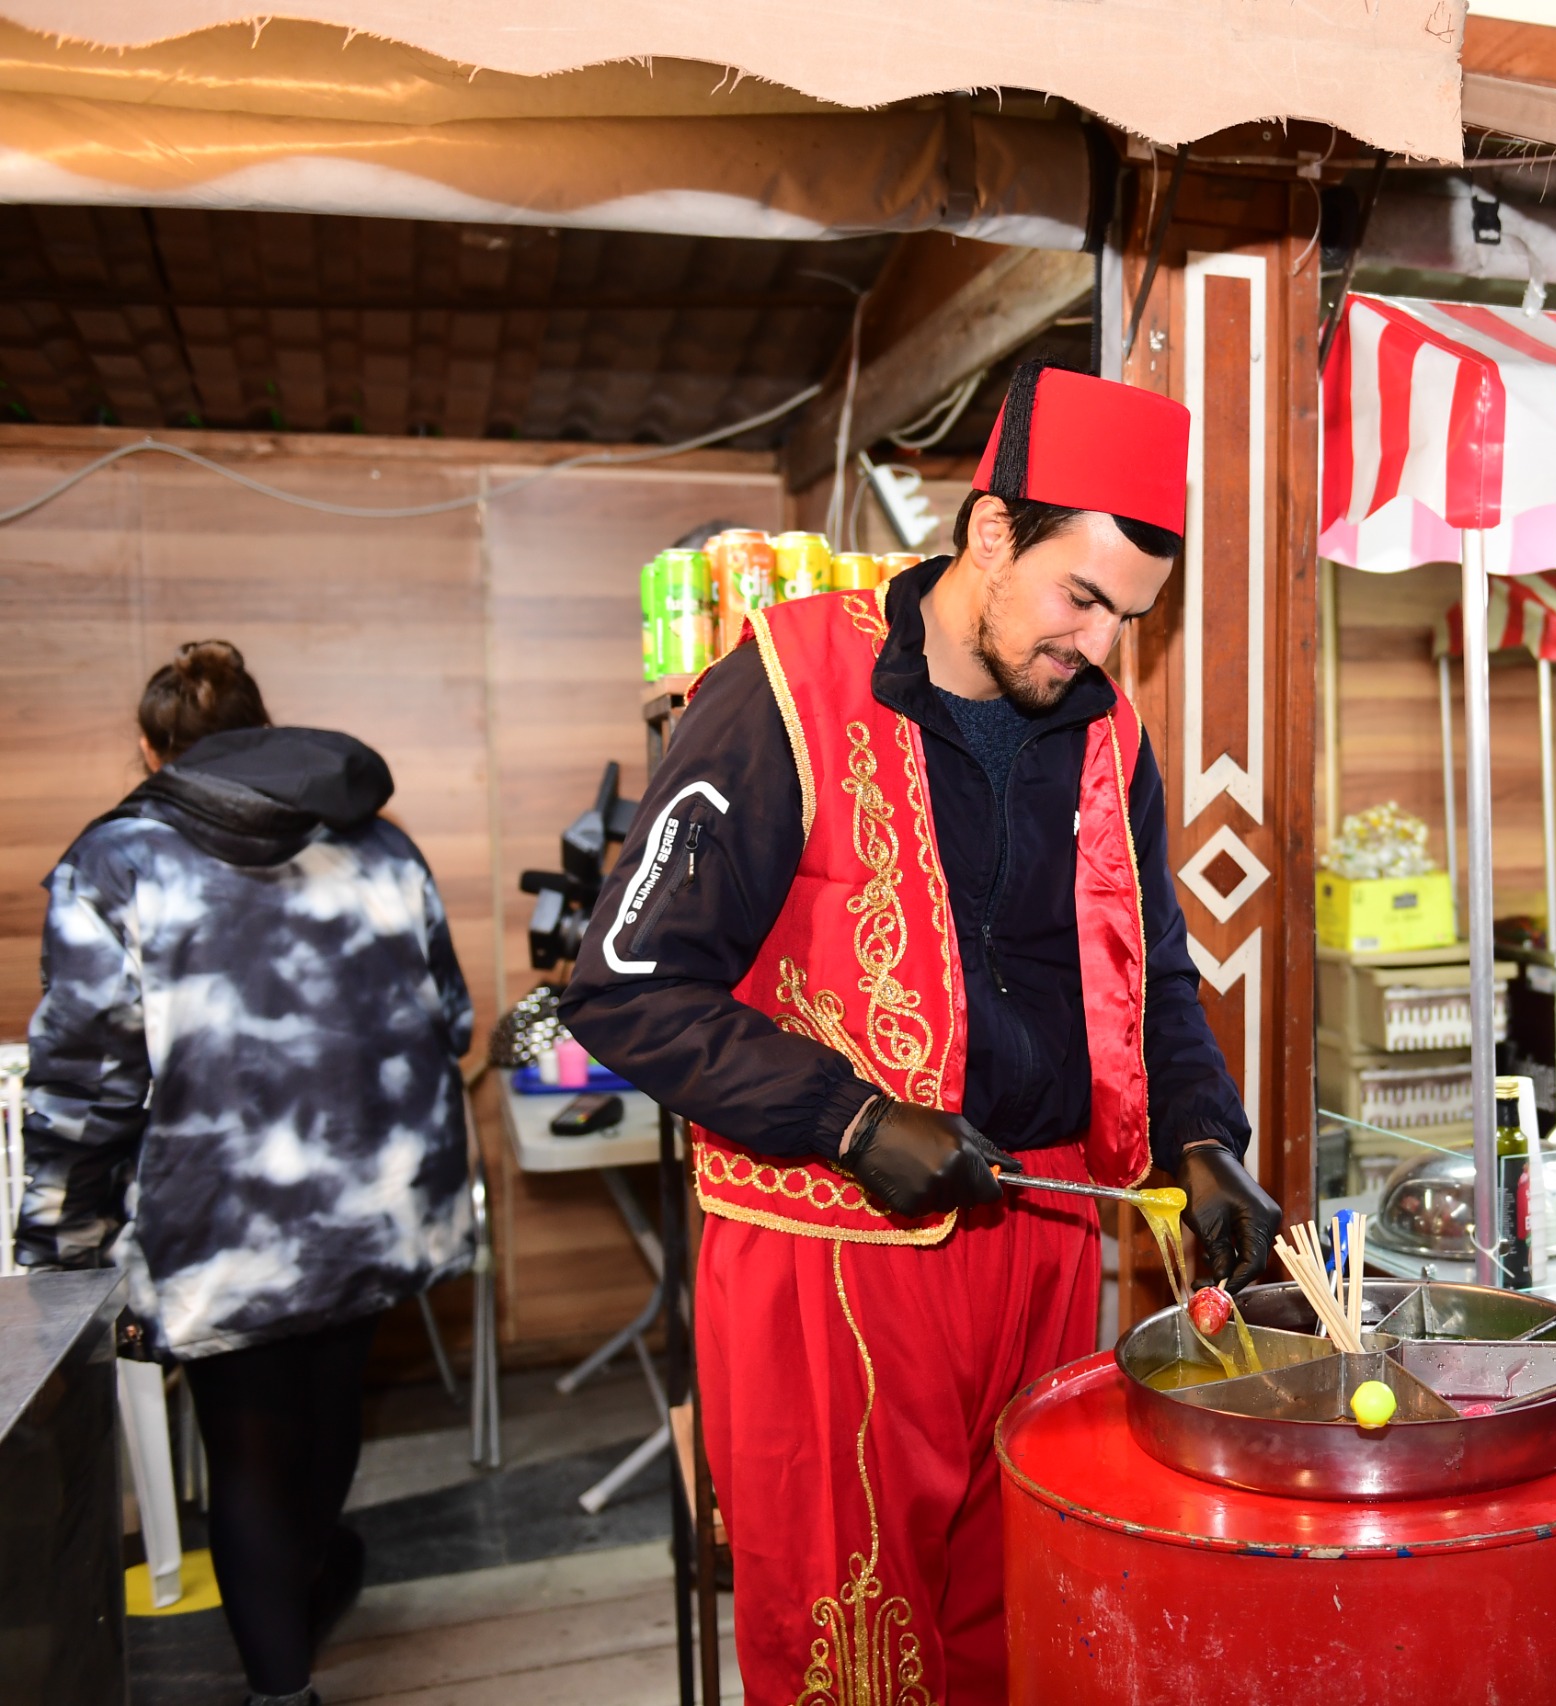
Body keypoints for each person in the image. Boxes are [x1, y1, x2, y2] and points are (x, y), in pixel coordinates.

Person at [561, 363, 1281, 1705]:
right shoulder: (785, 684)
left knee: (1022, 1614)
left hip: (1048, 1228)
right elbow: (624, 985)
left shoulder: (1106, 734)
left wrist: (1203, 1138)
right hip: (835, 1246)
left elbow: (1152, 976)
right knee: (851, 1648)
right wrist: (844, 1117)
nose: (1100, 646)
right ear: (991, 531)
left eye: (1130, 618)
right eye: (1082, 598)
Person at [14, 641, 476, 1706]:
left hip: (223, 1219)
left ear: (152, 749)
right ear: (263, 728)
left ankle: (281, 1681)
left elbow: (86, 1083)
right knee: (331, 1404)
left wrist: (59, 1251)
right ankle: (308, 1577)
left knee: (248, 1450)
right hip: (378, 1201)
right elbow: (450, 1018)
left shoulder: (115, 863)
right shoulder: (379, 839)